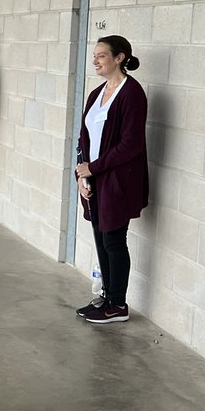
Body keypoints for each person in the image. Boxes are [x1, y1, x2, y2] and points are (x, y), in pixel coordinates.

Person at [74, 35, 149, 324]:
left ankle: (118, 305)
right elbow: (84, 136)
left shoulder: (132, 93)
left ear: (119, 58)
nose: (95, 60)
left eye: (102, 55)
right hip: (93, 178)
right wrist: (82, 172)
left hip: (118, 179)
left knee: (114, 240)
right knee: (100, 237)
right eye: (95, 55)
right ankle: (106, 295)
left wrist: (95, 168)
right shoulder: (97, 93)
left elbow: (131, 145)